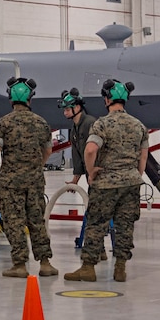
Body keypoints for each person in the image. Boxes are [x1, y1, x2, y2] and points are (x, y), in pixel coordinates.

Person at [66, 79, 149, 283]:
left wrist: (91, 170)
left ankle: (88, 268)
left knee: (96, 224)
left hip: (106, 184)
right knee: (125, 225)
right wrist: (135, 174)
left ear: (107, 99)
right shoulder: (139, 126)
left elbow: (90, 149)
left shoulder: (102, 124)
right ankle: (120, 268)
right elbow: (143, 157)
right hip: (130, 183)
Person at [0, 77, 57, 279]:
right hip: (35, 180)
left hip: (10, 181)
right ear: (30, 99)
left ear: (10, 99)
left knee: (14, 222)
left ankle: (19, 265)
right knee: (36, 220)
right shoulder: (41, 123)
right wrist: (36, 166)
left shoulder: (3, 123)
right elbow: (48, 151)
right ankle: (45, 263)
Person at [59, 88, 96, 247]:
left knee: (96, 211)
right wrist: (75, 180)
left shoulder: (90, 123)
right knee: (93, 209)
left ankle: (96, 247)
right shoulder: (73, 129)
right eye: (64, 109)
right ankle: (93, 245)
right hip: (91, 177)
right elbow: (77, 156)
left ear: (78, 107)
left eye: (67, 109)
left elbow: (94, 151)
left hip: (99, 175)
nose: (65, 112)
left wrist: (94, 173)